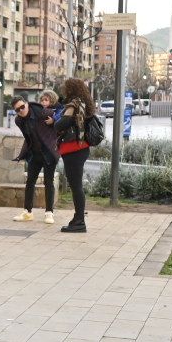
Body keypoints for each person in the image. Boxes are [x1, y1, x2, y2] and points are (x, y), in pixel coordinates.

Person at [11, 90, 60, 224]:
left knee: (48, 182)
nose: (21, 110)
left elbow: (60, 114)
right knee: (30, 182)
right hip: (35, 154)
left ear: (26, 104)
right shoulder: (18, 120)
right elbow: (28, 137)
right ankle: (27, 212)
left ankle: (49, 213)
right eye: (17, 110)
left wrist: (55, 120)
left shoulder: (41, 112)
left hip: (48, 153)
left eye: (22, 107)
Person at [57, 77, 92, 234]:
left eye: (66, 87)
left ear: (70, 89)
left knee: (76, 186)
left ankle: (79, 221)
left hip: (74, 150)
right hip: (81, 148)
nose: (64, 89)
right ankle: (77, 218)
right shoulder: (84, 103)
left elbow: (61, 124)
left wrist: (54, 122)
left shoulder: (74, 104)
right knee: (76, 185)